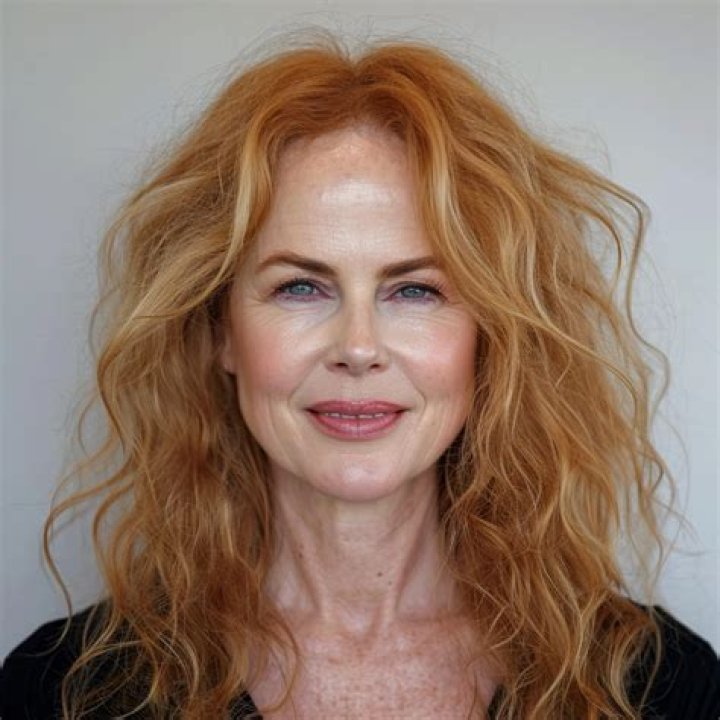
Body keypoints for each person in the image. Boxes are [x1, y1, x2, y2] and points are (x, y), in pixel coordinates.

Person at [1, 30, 718, 720]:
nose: (358, 347)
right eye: (300, 287)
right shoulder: (61, 691)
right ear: (220, 331)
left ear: (490, 337)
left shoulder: (660, 687)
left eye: (416, 290)